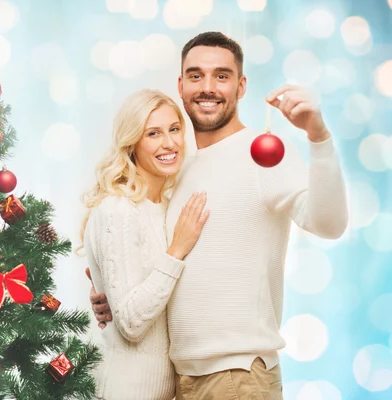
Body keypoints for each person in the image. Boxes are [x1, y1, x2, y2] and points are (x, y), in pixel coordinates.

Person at [88, 32, 349, 400]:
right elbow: (165, 262)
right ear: (181, 85)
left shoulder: (263, 154)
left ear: (241, 86)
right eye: (195, 76)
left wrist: (318, 136)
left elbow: (329, 223)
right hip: (181, 380)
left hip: (238, 376)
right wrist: (114, 296)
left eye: (221, 76)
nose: (207, 87)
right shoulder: (177, 172)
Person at [79, 89, 210, 400]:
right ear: (132, 143)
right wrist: (177, 249)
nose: (169, 143)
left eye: (174, 129)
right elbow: (131, 323)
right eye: (153, 133)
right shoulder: (118, 209)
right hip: (127, 390)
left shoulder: (162, 207)